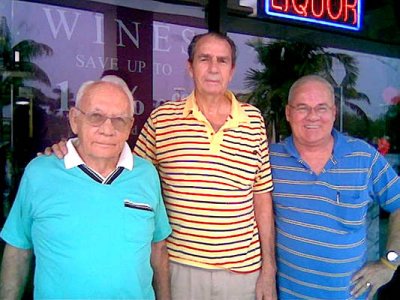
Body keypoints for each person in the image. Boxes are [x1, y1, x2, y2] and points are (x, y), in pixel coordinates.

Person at [42, 32, 277, 300]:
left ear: (232, 70)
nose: (213, 68)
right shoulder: (163, 119)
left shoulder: (253, 121)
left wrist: (268, 267)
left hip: (242, 272)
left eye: (222, 61)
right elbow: (125, 171)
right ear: (190, 67)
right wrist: (71, 151)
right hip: (179, 269)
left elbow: (261, 195)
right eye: (204, 59)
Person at [0, 75, 172, 299]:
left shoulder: (146, 174)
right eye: (96, 117)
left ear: (130, 126)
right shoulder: (40, 173)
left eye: (119, 119)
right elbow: (18, 250)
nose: (107, 129)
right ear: (74, 120)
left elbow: (158, 250)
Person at [269, 74, 400, 299]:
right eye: (302, 107)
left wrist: (390, 263)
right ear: (288, 113)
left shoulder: (363, 157)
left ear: (334, 112)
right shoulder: (271, 160)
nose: (312, 116)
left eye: (321, 108)